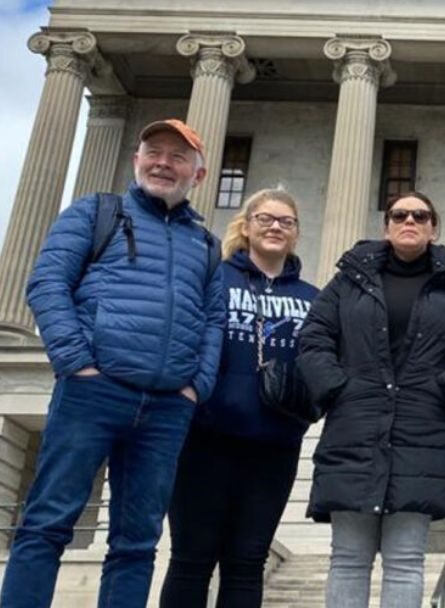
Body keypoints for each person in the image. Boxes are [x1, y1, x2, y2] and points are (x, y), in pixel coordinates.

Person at [0, 119, 224, 608]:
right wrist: (75, 361)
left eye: (178, 156)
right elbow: (46, 284)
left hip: (167, 404)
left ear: (199, 175)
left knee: (137, 542)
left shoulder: (205, 244)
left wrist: (196, 385)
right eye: (154, 152)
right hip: (94, 391)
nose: (163, 163)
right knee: (47, 522)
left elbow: (213, 320)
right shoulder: (95, 212)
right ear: (136, 160)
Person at [297, 192, 445, 608]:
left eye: (420, 215)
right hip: (355, 428)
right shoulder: (346, 284)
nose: (410, 220)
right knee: (348, 559)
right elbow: (313, 338)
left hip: (423, 431)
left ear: (433, 228)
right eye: (399, 215)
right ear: (386, 226)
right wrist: (335, 388)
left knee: (406, 561)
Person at [160, 188, 319, 608]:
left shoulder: (312, 298)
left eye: (286, 221)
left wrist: (310, 409)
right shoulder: (215, 279)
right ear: (246, 226)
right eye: (265, 218)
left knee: (247, 562)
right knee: (191, 559)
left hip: (275, 445)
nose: (275, 227)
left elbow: (322, 365)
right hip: (205, 439)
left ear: (296, 234)